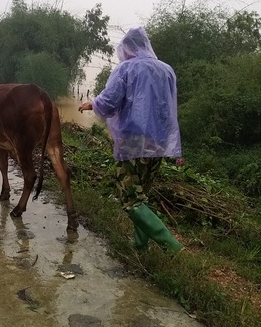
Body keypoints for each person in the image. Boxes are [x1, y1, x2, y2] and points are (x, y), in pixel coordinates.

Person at [78, 26, 183, 253]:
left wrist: (92, 104)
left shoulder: (127, 69)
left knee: (130, 200)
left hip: (134, 142)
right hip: (159, 143)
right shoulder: (166, 70)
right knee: (141, 196)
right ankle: (140, 246)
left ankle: (173, 247)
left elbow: (109, 101)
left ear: (129, 48)